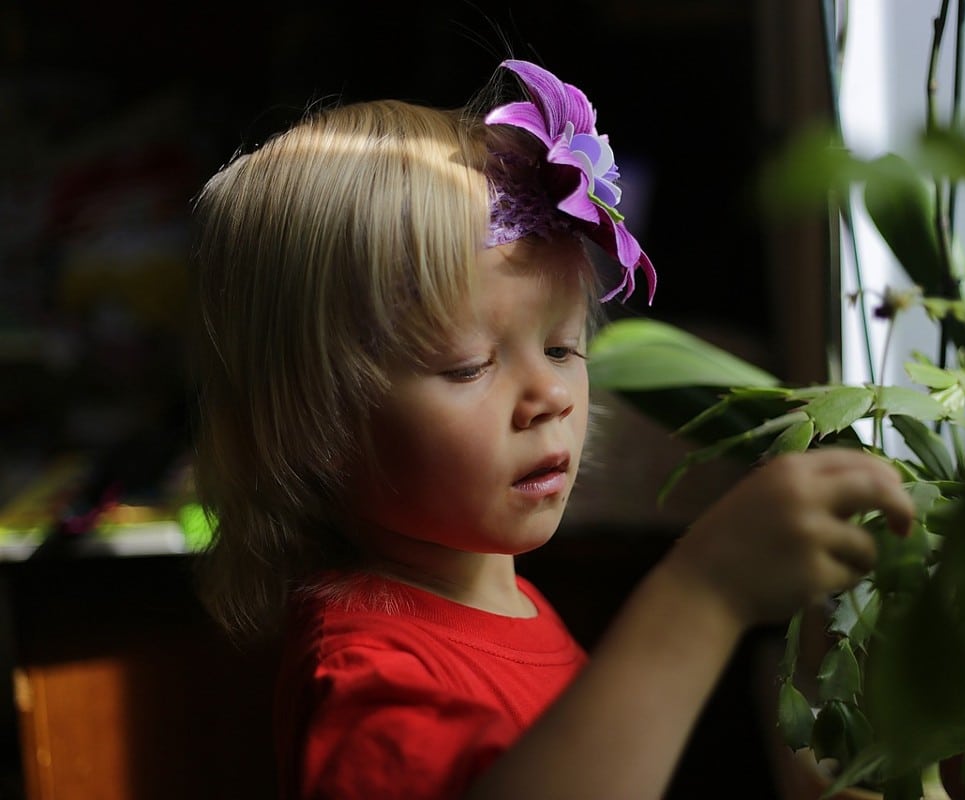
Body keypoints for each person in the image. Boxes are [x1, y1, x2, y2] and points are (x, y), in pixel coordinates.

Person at [190, 59, 914, 800]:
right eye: (469, 365)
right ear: (309, 419)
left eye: (563, 347)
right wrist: (705, 593)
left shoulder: (506, 600)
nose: (548, 395)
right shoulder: (374, 677)